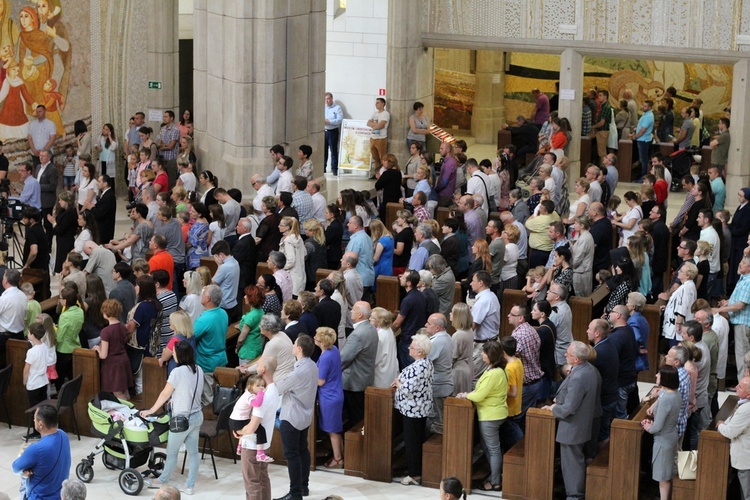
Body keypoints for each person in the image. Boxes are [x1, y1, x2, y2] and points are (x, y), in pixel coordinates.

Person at [141, 342, 203, 496]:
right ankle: (190, 485)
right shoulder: (199, 369)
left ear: (180, 355)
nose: (172, 354)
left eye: (174, 352)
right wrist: (176, 399)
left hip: (181, 420)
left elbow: (164, 394)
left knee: (172, 451)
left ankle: (162, 480)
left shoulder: (177, 372)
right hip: (197, 416)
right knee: (194, 453)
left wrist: (151, 410)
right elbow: (191, 391)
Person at [542, 341, 602, 500]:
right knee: (575, 461)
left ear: (576, 359)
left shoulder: (579, 376)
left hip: (573, 427)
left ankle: (575, 495)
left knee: (572, 464)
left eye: (567, 354)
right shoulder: (590, 369)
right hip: (583, 423)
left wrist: (554, 408)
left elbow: (569, 407)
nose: (564, 355)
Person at [275, 335, 318, 500]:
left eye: (294, 344)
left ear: (299, 348)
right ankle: (303, 487)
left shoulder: (298, 372)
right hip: (305, 415)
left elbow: (279, 389)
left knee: (292, 454)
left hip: (292, 417)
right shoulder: (312, 365)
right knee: (302, 450)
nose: (293, 345)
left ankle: (295, 494)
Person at [393, 333, 434, 486]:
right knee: (415, 440)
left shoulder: (420, 366)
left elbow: (408, 390)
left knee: (412, 443)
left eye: (412, 346)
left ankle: (414, 474)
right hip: (418, 408)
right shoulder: (426, 363)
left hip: (413, 410)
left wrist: (398, 383)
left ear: (420, 352)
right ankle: (415, 470)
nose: (409, 348)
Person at [12, 405, 71, 499]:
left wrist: (24, 465)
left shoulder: (36, 449)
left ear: (41, 424)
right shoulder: (63, 435)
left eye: (34, 419)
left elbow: (15, 468)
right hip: (60, 494)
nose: (33, 421)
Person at [642, 365, 682, 500]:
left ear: (665, 378)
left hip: (663, 440)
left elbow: (657, 427)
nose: (656, 376)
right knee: (666, 474)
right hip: (671, 436)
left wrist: (648, 427)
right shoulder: (675, 394)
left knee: (663, 477)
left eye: (659, 374)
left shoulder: (666, 399)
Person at [340, 301, 378, 429]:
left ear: (360, 315)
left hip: (354, 381)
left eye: (354, 309)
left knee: (355, 419)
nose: (351, 311)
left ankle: (356, 445)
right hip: (364, 376)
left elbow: (343, 359)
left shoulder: (357, 335)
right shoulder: (371, 328)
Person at [313, 327, 345, 469]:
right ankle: (341, 455)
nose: (314, 337)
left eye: (316, 336)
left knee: (332, 430)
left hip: (329, 396)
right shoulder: (334, 350)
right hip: (335, 393)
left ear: (322, 341)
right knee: (335, 429)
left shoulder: (326, 356)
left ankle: (338, 459)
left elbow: (320, 381)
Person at [193, 285, 228, 404]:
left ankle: (210, 421)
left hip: (207, 362)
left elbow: (191, 336)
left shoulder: (205, 319)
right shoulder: (223, 312)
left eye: (203, 294)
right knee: (217, 393)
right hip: (221, 358)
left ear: (208, 298)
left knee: (208, 398)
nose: (201, 296)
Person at [717, 376, 750, 500]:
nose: (735, 387)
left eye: (740, 387)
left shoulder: (746, 409)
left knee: (747, 494)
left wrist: (721, 425)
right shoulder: (745, 404)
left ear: (748, 395)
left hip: (746, 460)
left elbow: (730, 432)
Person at [94, 299, 132, 400]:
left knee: (118, 394)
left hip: (113, 365)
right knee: (125, 391)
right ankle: (131, 410)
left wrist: (98, 348)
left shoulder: (106, 332)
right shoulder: (123, 326)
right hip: (124, 360)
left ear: (106, 313)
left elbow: (103, 355)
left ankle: (126, 413)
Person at [211, 241, 240, 322]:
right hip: (233, 301)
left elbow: (213, 282)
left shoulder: (225, 267)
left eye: (216, 256)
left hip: (224, 304)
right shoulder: (235, 262)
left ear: (221, 255)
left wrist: (219, 266)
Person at [367, 97, 390, 176]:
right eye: (376, 103)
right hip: (373, 137)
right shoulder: (375, 113)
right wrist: (375, 125)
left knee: (382, 158)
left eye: (378, 103)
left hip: (381, 138)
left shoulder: (385, 114)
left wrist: (375, 125)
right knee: (375, 157)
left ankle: (383, 173)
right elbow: (368, 123)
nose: (376, 104)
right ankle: (377, 173)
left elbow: (380, 126)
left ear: (383, 104)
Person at [324, 92, 343, 175]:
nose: (327, 101)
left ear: (332, 99)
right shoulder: (323, 107)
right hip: (324, 131)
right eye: (325, 99)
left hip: (333, 131)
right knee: (324, 151)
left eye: (328, 99)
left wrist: (329, 121)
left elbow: (339, 119)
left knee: (333, 150)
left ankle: (334, 168)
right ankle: (323, 168)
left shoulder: (337, 108)